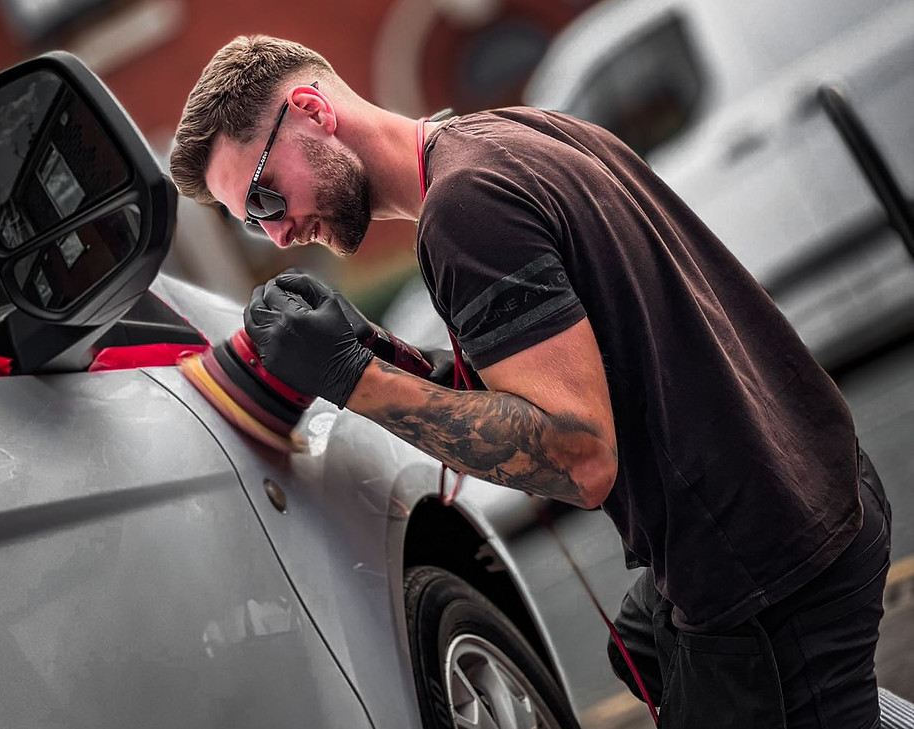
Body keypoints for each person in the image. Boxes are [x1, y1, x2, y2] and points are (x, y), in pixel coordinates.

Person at [170, 35, 892, 728]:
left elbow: (579, 456)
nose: (277, 234)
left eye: (264, 198)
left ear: (314, 112)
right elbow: (552, 371)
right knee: (640, 641)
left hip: (770, 575)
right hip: (817, 484)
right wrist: (386, 354)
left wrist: (353, 379)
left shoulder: (466, 212)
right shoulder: (508, 136)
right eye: (248, 224)